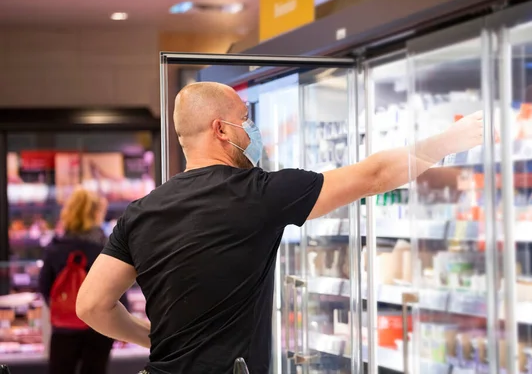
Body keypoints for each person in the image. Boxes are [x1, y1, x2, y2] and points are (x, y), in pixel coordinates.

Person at [76, 82, 484, 374]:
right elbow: (375, 175)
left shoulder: (141, 212)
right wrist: (448, 141)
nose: (254, 130)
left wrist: (152, 339)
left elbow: (91, 305)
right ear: (221, 129)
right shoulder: (260, 193)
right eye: (246, 119)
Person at [39, 188, 128, 374]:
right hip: (99, 325)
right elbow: (119, 287)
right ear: (97, 212)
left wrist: (64, 307)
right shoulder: (106, 247)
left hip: (64, 327)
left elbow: (44, 286)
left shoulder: (56, 247)